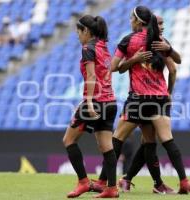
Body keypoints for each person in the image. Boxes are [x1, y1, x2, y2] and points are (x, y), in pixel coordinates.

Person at [91, 6, 190, 195]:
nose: (130, 21)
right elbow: (176, 64)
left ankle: (104, 181)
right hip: (160, 99)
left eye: (131, 18)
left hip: (138, 99)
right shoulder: (160, 41)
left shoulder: (128, 40)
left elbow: (114, 67)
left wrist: (133, 60)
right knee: (160, 140)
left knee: (117, 139)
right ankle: (180, 182)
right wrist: (169, 90)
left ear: (138, 21)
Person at [117, 15, 181, 192]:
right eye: (159, 23)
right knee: (148, 142)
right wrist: (169, 92)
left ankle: (128, 179)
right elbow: (174, 68)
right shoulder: (147, 41)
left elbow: (176, 62)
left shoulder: (160, 42)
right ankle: (155, 184)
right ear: (151, 24)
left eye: (163, 23)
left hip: (149, 98)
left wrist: (169, 48)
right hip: (148, 98)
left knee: (148, 142)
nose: (163, 26)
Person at [62, 15, 119, 198]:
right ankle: (111, 188)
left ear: (86, 31)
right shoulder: (104, 46)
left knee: (69, 140)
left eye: (78, 32)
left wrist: (87, 102)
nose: (78, 36)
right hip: (110, 103)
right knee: (106, 147)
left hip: (96, 102)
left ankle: (84, 182)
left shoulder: (88, 48)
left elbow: (92, 77)